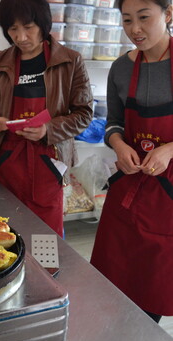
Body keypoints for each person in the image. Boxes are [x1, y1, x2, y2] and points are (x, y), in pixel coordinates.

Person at [0, 0, 93, 237]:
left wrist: (48, 129)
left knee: (45, 236)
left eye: (28, 27)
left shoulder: (70, 61)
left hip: (48, 161)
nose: (20, 37)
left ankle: (46, 274)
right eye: (12, 29)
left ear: (42, 23)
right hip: (7, 161)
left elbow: (84, 114)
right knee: (4, 233)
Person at [90, 0, 173, 323]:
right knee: (113, 287)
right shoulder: (121, 68)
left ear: (168, 14)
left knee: (151, 293)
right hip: (129, 189)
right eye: (126, 20)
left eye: (144, 17)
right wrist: (118, 144)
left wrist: (169, 150)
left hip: (167, 197)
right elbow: (113, 123)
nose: (134, 29)